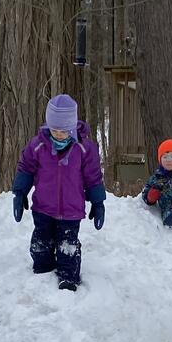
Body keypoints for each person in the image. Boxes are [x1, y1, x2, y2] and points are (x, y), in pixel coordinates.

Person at [12, 94, 105, 291]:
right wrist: (19, 193)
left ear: (72, 127)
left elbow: (93, 177)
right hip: (43, 208)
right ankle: (43, 272)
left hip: (71, 211)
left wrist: (98, 202)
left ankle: (68, 278)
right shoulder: (37, 146)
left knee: (67, 246)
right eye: (54, 129)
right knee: (40, 244)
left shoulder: (84, 148)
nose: (58, 134)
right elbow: (26, 169)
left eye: (63, 131)